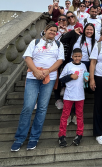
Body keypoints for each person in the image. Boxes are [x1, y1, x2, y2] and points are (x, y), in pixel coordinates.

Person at [11, 23, 64, 152]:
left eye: (55, 31)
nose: (52, 32)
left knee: (42, 108)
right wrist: (36, 71)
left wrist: (47, 71)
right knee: (28, 106)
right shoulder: (35, 42)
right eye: (50, 30)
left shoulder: (58, 44)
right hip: (33, 77)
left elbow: (60, 60)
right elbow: (28, 58)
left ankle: (34, 137)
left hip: (49, 78)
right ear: (45, 30)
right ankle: (19, 138)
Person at [58, 48, 88, 147]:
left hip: (80, 95)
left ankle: (79, 134)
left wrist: (86, 79)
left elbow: (86, 77)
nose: (77, 58)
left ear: (81, 57)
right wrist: (70, 76)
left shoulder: (83, 66)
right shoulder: (68, 65)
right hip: (68, 95)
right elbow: (61, 78)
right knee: (65, 115)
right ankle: (61, 135)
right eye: (75, 56)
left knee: (79, 115)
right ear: (72, 57)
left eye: (79, 56)